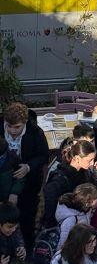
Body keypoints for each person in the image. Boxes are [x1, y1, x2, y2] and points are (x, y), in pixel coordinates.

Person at [2, 102, 49, 254]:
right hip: (4, 183)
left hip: (29, 183)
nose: (12, 131)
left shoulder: (35, 132)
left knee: (27, 216)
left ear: (25, 122)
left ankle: (27, 247)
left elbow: (43, 155)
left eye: (17, 127)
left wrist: (28, 167)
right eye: (9, 126)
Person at [40, 139, 97, 231]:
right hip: (62, 224)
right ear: (78, 158)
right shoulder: (59, 179)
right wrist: (52, 226)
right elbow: (50, 204)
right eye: (89, 160)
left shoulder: (84, 172)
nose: (92, 163)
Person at [54, 183, 97, 250]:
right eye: (96, 196)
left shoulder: (86, 210)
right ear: (87, 202)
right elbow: (62, 246)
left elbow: (87, 233)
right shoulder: (70, 220)